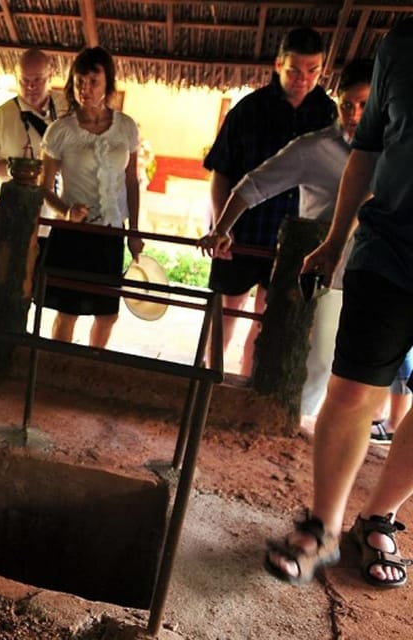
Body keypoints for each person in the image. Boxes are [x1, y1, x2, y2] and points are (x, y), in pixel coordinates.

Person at [265, 18, 413, 589]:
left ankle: (380, 518)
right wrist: (332, 242)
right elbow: (367, 152)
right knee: (351, 388)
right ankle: (323, 528)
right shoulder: (400, 47)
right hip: (389, 248)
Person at [198, 60, 381, 421]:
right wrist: (223, 227)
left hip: (377, 275)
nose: (354, 114)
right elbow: (252, 184)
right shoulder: (314, 148)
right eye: (347, 104)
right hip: (329, 276)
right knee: (316, 360)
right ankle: (295, 433)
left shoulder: (398, 152)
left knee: (359, 378)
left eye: (364, 104)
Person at [203, 27, 337, 377]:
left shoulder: (329, 115)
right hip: (243, 231)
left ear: (323, 69)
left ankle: (246, 390)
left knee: (266, 322)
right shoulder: (247, 110)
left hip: (293, 241)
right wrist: (222, 227)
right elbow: (221, 171)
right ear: (278, 64)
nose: (303, 79)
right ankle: (210, 383)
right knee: (225, 314)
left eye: (313, 71)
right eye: (294, 70)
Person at [38, 46, 143, 348]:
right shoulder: (60, 132)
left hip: (111, 232)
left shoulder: (126, 127)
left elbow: (131, 181)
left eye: (93, 81)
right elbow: (44, 188)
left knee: (107, 314)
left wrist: (133, 230)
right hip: (74, 233)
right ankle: (57, 367)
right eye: (79, 81)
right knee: (68, 311)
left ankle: (90, 368)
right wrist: (66, 211)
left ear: (108, 83)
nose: (85, 88)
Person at [0, 48, 67, 239]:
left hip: (62, 215)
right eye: (24, 80)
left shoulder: (67, 108)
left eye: (37, 80)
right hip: (17, 217)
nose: (30, 87)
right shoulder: (0, 116)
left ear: (50, 76)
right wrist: (13, 170)